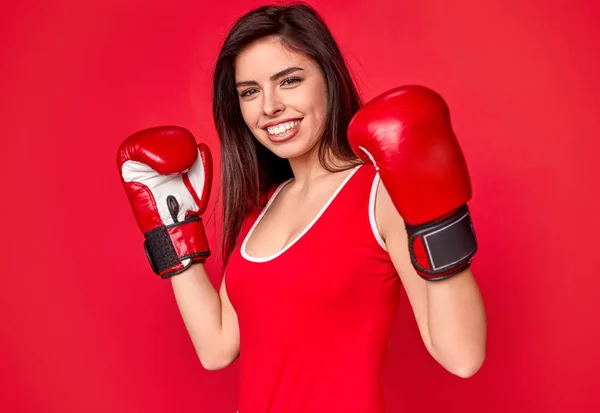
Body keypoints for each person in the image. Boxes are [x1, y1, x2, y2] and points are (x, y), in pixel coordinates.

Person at [116, 3, 487, 412]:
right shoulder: (260, 207)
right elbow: (217, 347)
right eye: (250, 91)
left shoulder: (378, 193)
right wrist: (172, 226)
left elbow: (462, 356)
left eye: (289, 80)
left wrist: (438, 215)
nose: (269, 106)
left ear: (328, 79)